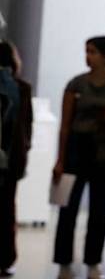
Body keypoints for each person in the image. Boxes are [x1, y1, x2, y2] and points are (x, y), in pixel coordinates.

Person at [52, 36, 105, 279]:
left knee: (99, 210)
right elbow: (65, 124)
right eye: (87, 51)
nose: (88, 56)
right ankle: (64, 261)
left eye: (93, 52)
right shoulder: (76, 84)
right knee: (68, 209)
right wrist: (60, 159)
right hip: (77, 149)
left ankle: (93, 261)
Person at [0, 41, 32, 277]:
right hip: (12, 158)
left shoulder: (20, 88)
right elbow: (26, 126)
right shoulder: (22, 87)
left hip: (9, 157)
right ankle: (5, 258)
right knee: (7, 208)